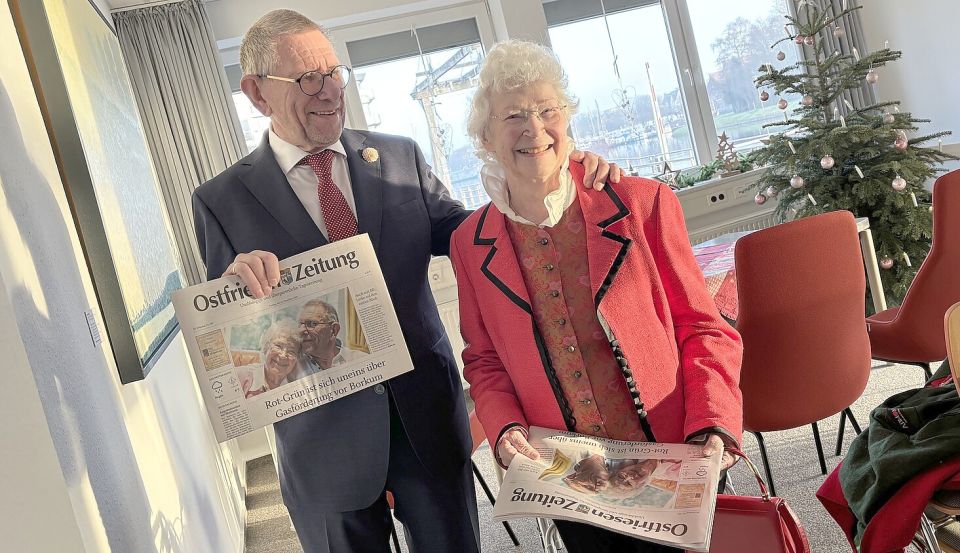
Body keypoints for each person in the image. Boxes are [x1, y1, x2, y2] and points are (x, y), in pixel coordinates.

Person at [191, 10, 621, 552]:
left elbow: (472, 236)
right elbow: (232, 338)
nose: (329, 92)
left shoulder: (396, 157)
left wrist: (554, 176)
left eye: (333, 73)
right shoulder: (222, 200)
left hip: (426, 417)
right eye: (308, 80)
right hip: (322, 443)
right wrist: (235, 284)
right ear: (256, 93)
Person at [450, 39, 744, 552]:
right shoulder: (469, 243)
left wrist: (713, 423)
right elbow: (484, 360)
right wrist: (503, 427)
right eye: (513, 115)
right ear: (485, 135)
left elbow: (702, 326)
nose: (534, 128)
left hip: (674, 448)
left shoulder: (641, 203)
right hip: (571, 478)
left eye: (548, 111)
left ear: (568, 119)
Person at [237, 319, 305, 398]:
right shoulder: (241, 375)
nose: (283, 355)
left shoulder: (296, 389)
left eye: (291, 352)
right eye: (278, 346)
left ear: (297, 359)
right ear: (266, 347)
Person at [296, 299, 362, 372]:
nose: (301, 330)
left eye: (312, 324)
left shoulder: (361, 360)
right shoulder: (292, 368)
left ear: (334, 330)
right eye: (300, 324)